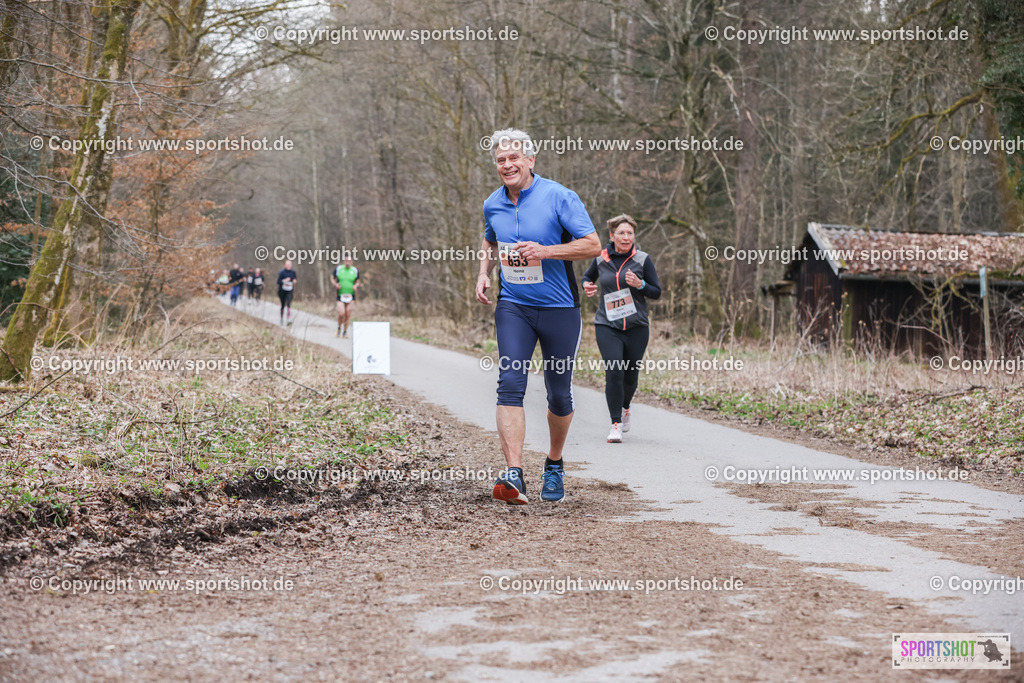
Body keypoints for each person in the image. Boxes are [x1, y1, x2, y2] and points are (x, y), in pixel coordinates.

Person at [475, 128, 602, 505]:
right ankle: (514, 474)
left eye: (515, 158)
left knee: (558, 394)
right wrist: (483, 271)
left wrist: (545, 252)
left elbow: (592, 244)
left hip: (560, 309)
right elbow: (490, 238)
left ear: (531, 160)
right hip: (513, 305)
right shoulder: (492, 203)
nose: (508, 165)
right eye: (501, 160)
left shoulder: (560, 196)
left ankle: (554, 463)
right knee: (510, 382)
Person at [582, 214, 661, 443]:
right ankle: (615, 423)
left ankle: (626, 407)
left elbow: (656, 291)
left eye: (630, 233)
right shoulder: (601, 258)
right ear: (612, 235)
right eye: (621, 233)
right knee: (614, 371)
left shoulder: (643, 260)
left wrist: (641, 284)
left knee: (630, 376)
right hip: (607, 325)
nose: (626, 237)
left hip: (637, 326)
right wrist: (587, 285)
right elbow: (588, 278)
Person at [332, 257, 359, 338]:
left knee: (348, 314)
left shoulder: (354, 270)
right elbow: (332, 278)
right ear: (344, 261)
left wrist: (356, 286)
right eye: (346, 261)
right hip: (340, 294)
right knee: (341, 313)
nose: (348, 262)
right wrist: (335, 285)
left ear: (352, 262)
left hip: (351, 295)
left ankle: (345, 331)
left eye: (349, 261)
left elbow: (358, 281)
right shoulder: (339, 269)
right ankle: (339, 328)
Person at [277, 260, 297, 325]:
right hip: (282, 291)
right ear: (285, 265)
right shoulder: (282, 272)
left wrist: (294, 281)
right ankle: (281, 318)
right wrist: (285, 280)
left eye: (290, 264)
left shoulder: (293, 272)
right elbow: (278, 281)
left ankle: (288, 319)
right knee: (283, 305)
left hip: (289, 290)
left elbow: (294, 279)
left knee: (288, 304)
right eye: (287, 264)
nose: (289, 266)